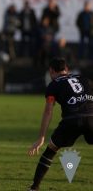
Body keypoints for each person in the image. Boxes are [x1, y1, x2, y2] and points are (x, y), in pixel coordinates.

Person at [27, 58, 93, 191]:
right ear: (67, 69)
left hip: (71, 120)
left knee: (51, 150)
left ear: (51, 71)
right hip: (92, 117)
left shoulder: (53, 85)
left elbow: (48, 111)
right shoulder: (85, 79)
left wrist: (41, 137)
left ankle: (34, 188)